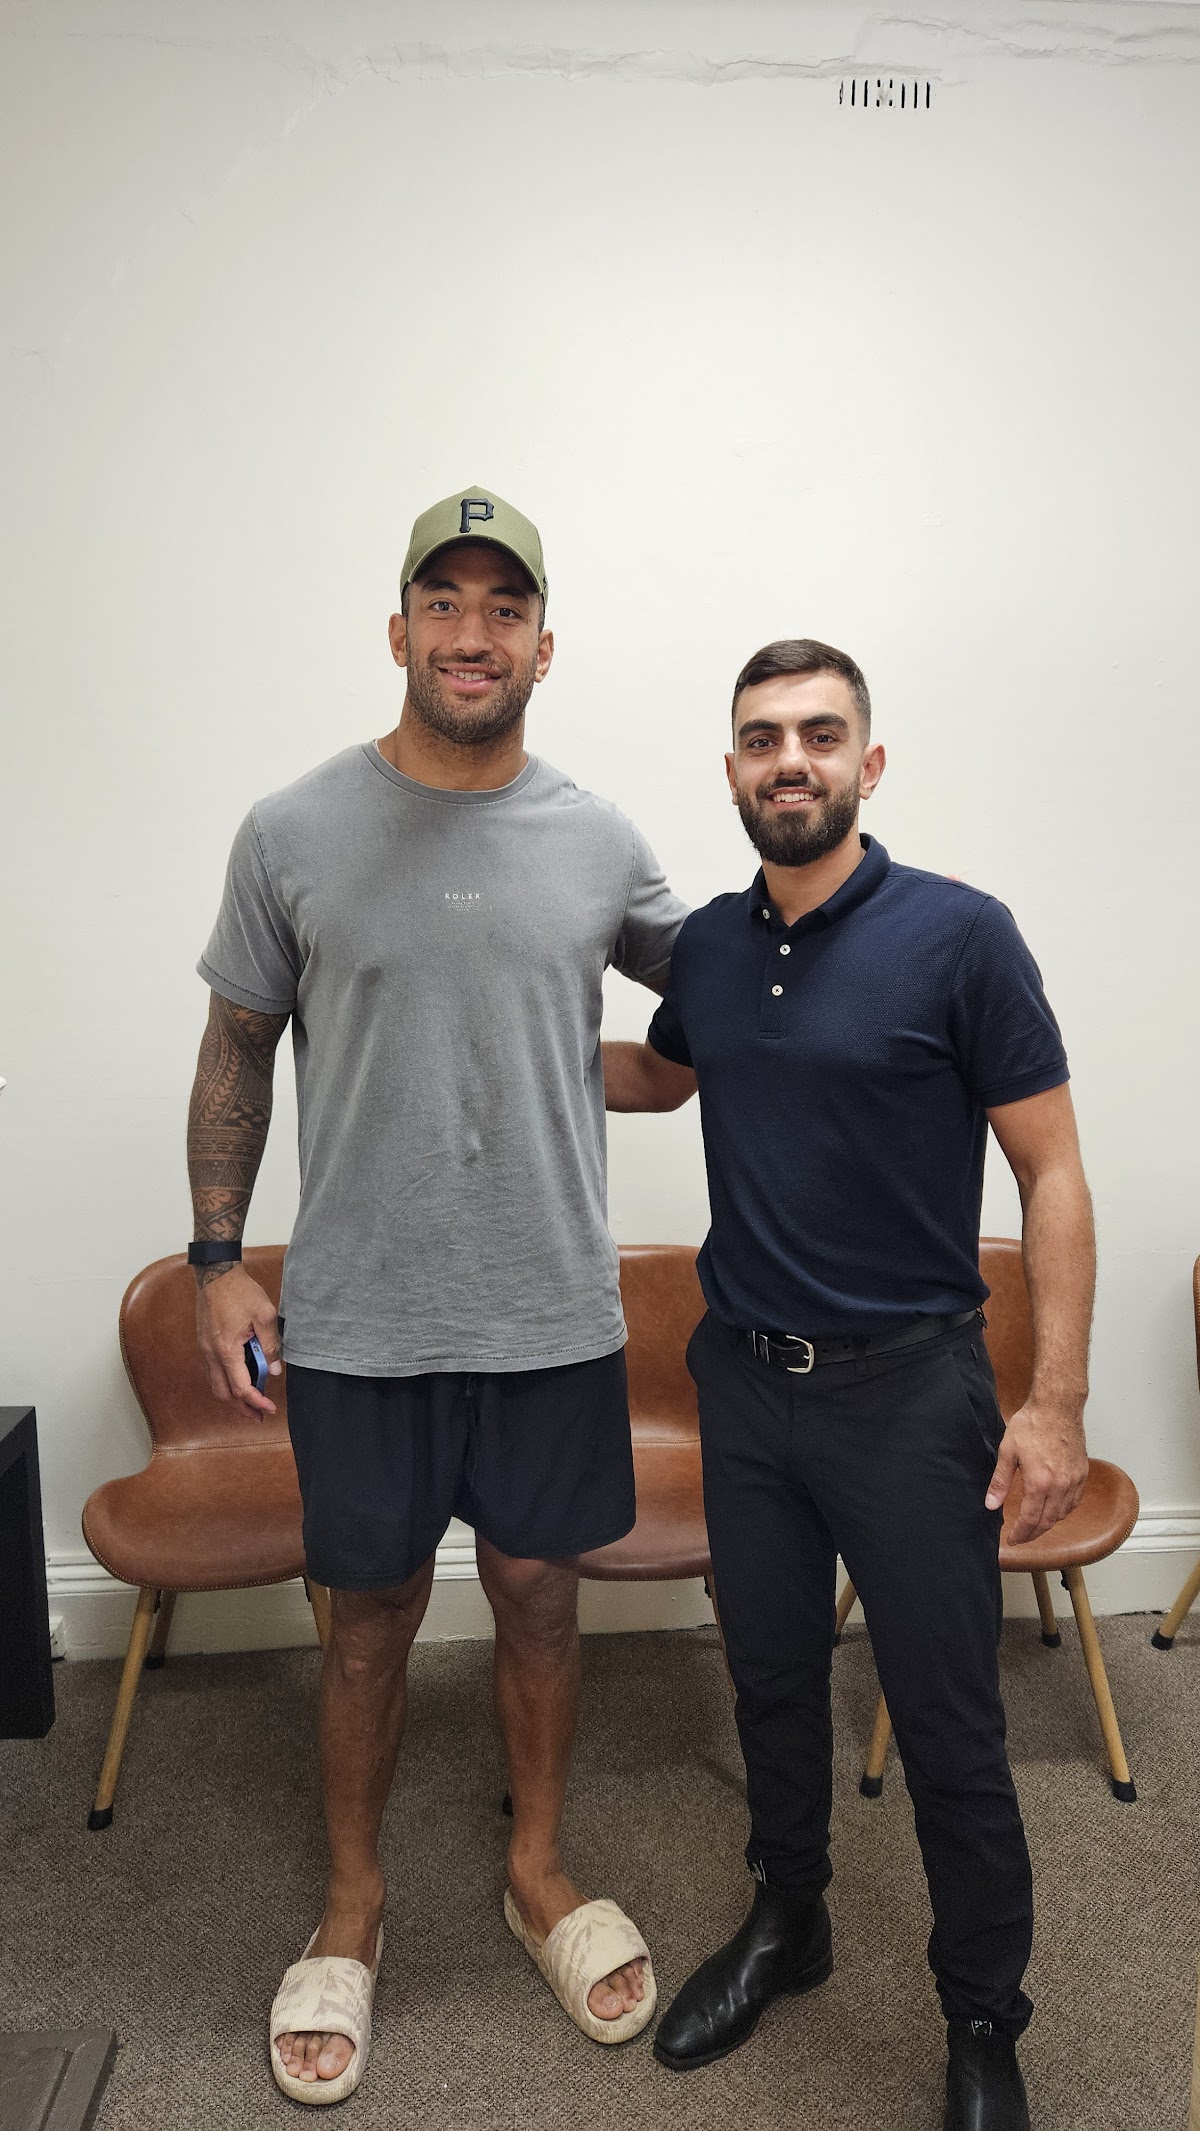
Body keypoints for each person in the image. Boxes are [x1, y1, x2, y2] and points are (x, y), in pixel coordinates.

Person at [186, 487, 686, 2103]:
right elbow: (236, 1048)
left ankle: (537, 1867)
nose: (475, 635)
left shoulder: (600, 839)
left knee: (540, 1599)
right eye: (446, 603)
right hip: (364, 1320)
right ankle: (354, 1899)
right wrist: (216, 1260)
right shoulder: (291, 831)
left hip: (549, 1315)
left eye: (505, 607)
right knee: (368, 1623)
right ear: (398, 630)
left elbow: (719, 1004)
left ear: (546, 644)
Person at [603, 637, 1093, 2131]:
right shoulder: (709, 948)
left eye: (820, 734)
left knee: (947, 1724)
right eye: (763, 738)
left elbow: (1053, 1170)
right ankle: (790, 1919)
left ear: (868, 764)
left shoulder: (961, 936)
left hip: (910, 1395)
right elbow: (666, 1074)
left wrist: (1054, 1402)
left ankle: (983, 2017)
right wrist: (499, 1042)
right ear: (733, 771)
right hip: (747, 1386)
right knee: (767, 1682)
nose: (791, 760)